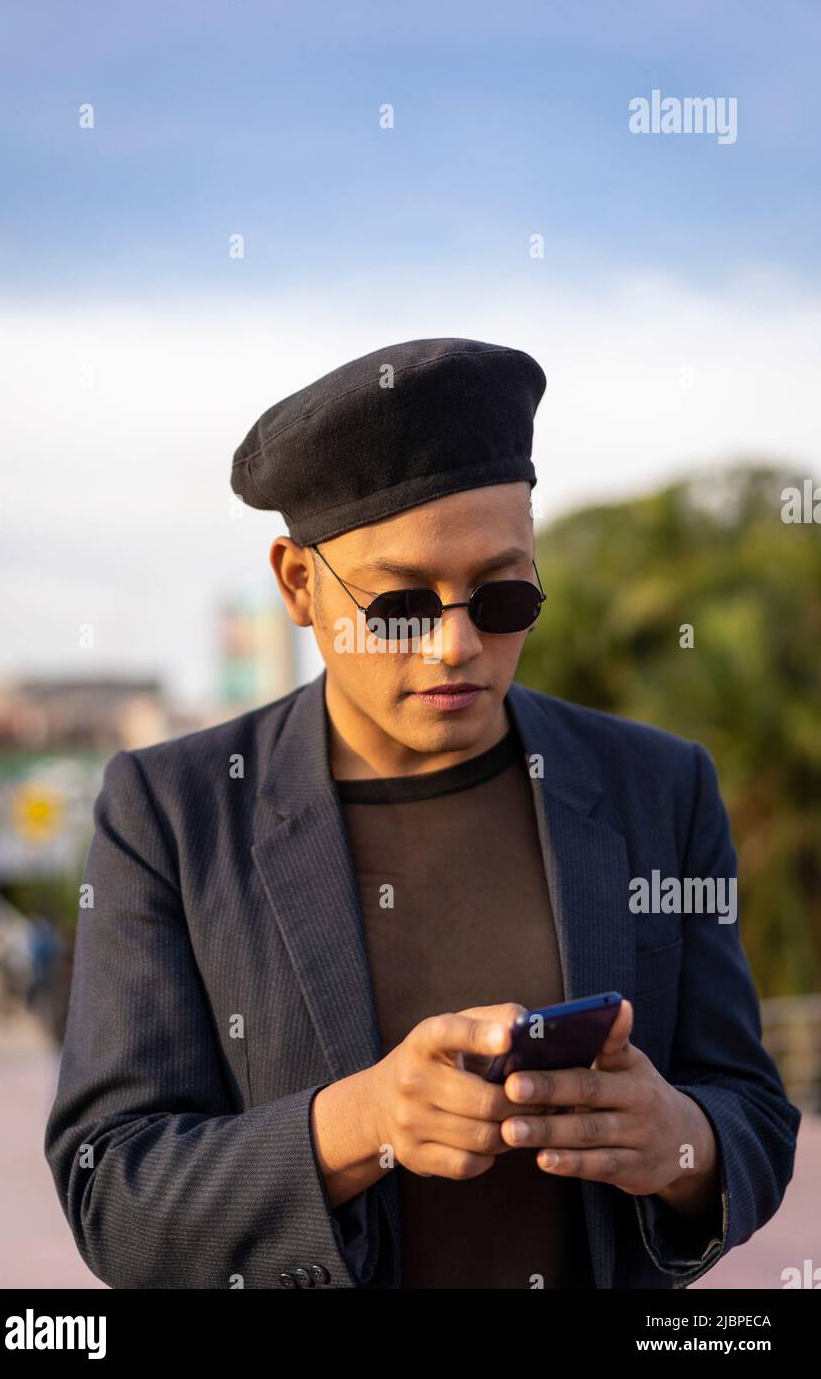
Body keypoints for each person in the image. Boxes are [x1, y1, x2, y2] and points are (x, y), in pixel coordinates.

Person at [45, 336, 800, 1289]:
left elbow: (754, 1116)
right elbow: (110, 1188)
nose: (456, 645)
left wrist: (682, 1142)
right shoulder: (171, 813)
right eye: (401, 604)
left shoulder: (658, 787)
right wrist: (357, 1127)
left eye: (503, 596)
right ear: (297, 586)